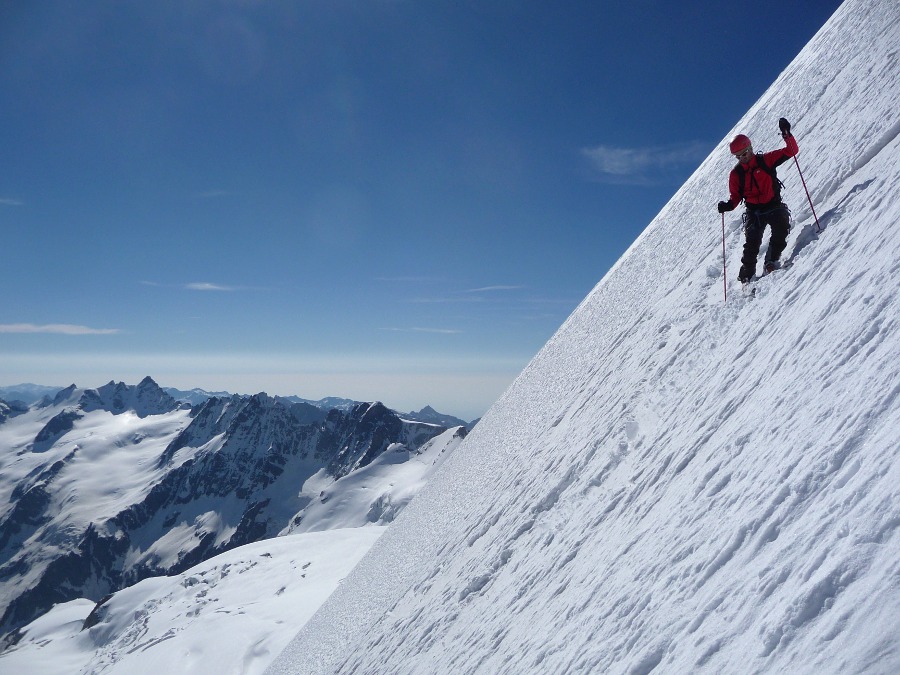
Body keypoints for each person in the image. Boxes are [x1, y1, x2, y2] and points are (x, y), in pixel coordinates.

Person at [718, 118, 798, 283]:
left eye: (745, 153)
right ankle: (746, 277)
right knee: (751, 244)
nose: (742, 158)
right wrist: (727, 206)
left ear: (750, 148)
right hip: (754, 211)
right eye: (738, 156)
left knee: (781, 227)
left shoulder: (766, 160)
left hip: (773, 205)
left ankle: (771, 260)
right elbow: (736, 198)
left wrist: (787, 135)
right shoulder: (736, 174)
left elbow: (791, 151)